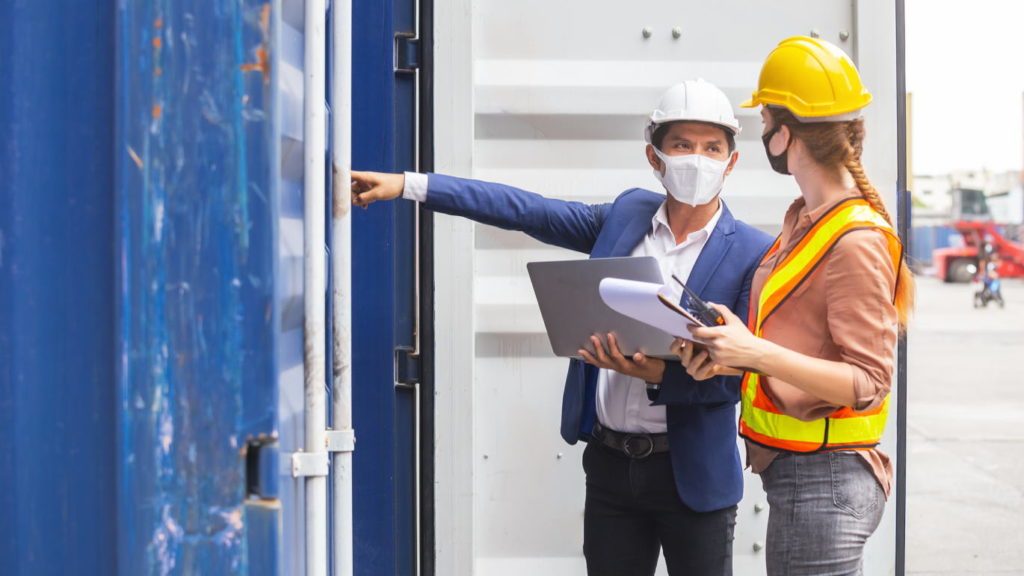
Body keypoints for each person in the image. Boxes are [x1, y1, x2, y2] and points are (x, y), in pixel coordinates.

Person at [352, 79, 772, 576]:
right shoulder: (625, 215)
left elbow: (738, 379)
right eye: (682, 145)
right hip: (612, 468)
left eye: (711, 147)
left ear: (731, 160)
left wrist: (656, 375)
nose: (697, 159)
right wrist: (409, 185)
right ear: (654, 156)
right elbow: (526, 210)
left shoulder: (752, 252)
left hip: (694, 478)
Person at [672, 37, 915, 576]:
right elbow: (798, 339)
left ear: (785, 134)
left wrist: (754, 351)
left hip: (826, 483)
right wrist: (729, 351)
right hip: (802, 479)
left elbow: (868, 380)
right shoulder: (805, 220)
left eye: (764, 122)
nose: (762, 134)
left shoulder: (855, 240)